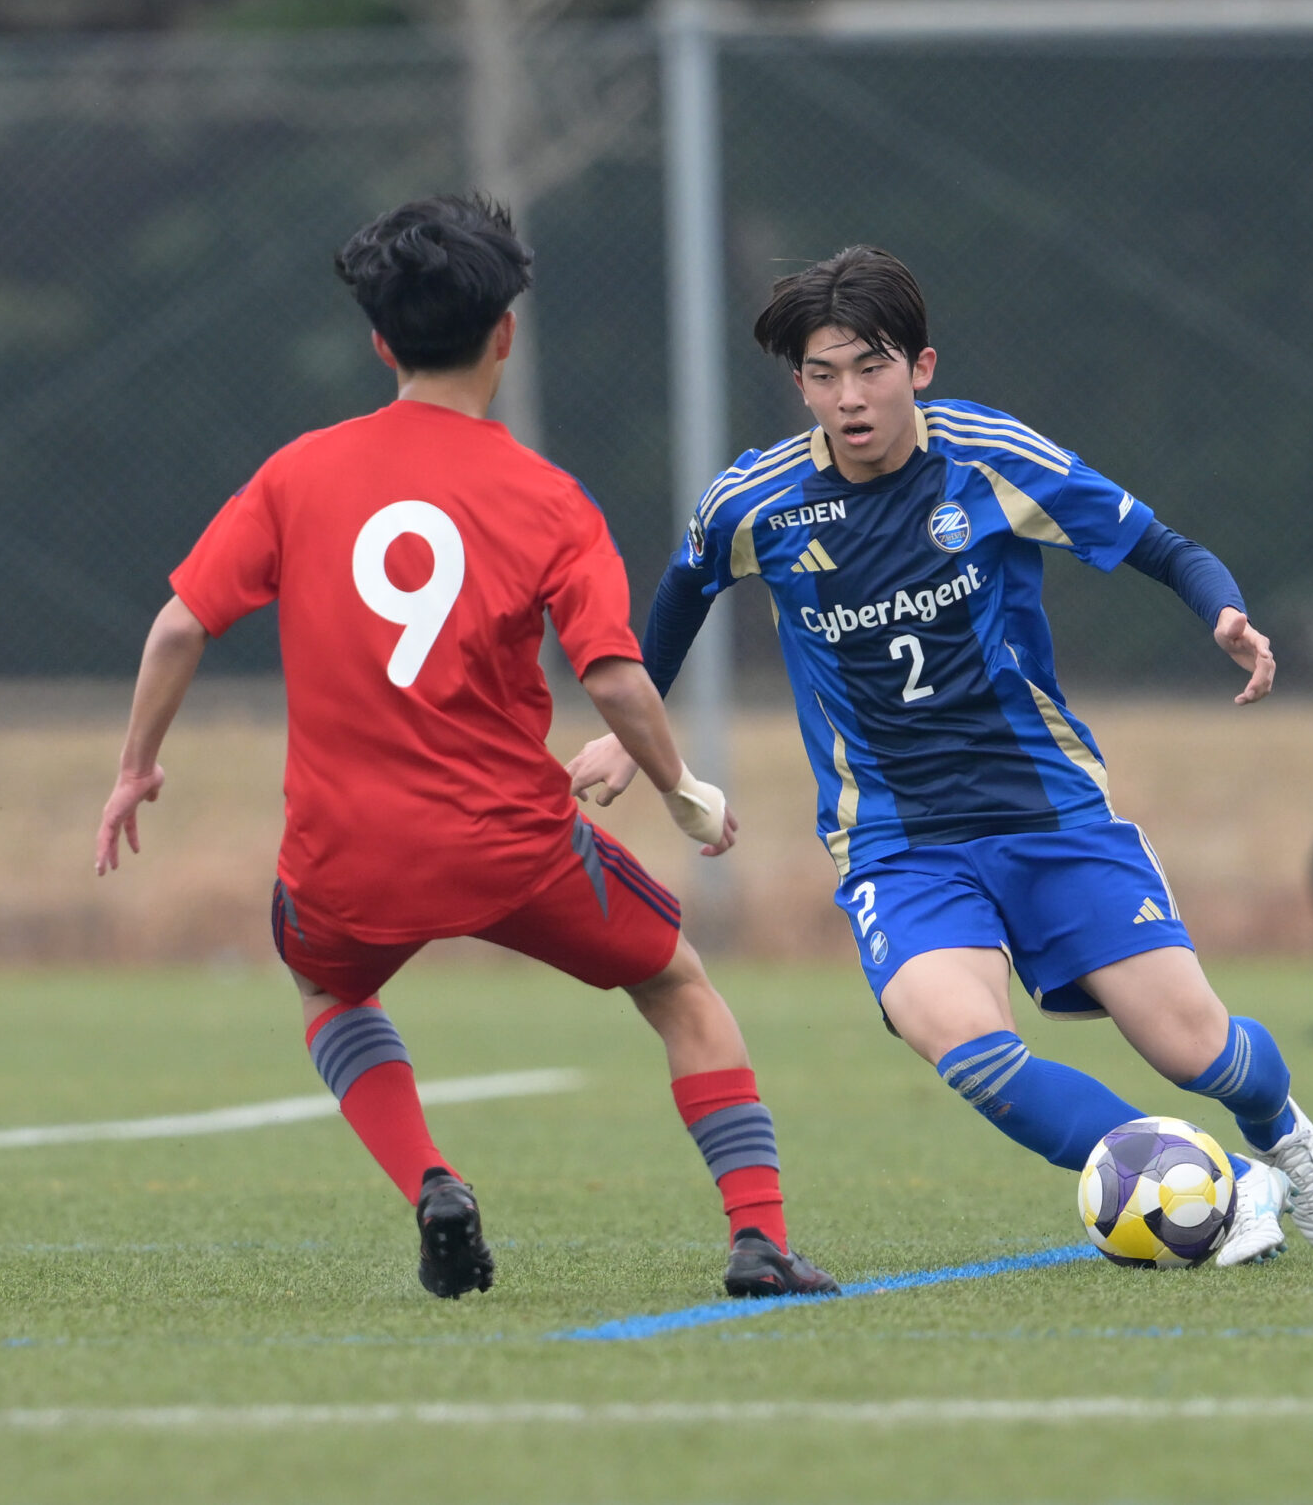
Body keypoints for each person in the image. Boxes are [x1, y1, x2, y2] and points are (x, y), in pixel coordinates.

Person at [94, 194, 837, 1301]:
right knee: (678, 986)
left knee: (328, 989)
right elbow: (613, 676)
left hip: (346, 853)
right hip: (515, 846)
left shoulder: (298, 473)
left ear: (378, 341)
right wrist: (681, 786)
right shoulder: (549, 500)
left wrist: (136, 767)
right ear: (506, 334)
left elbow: (177, 626)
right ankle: (758, 1238)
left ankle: (433, 1181)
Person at [569, 245, 1313, 1267]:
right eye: (823, 375)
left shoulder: (991, 458)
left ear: (921, 367)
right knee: (965, 1045)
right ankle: (1214, 1180)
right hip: (895, 840)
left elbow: (1160, 544)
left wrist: (1223, 612)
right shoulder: (755, 501)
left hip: (1048, 812)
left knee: (1193, 1046)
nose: (849, 398)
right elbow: (681, 596)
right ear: (800, 384)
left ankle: (1279, 1132)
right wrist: (629, 733)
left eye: (871, 368)